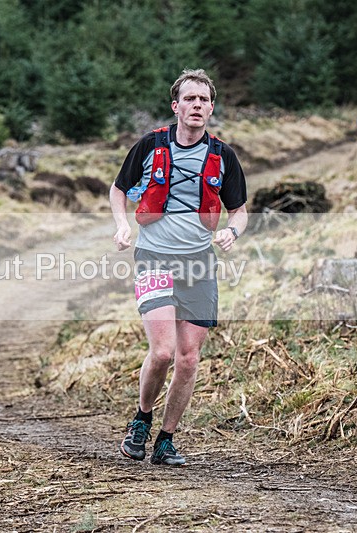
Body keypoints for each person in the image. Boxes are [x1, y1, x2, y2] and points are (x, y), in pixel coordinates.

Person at [109, 69, 247, 466]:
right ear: (176, 106)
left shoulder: (223, 156)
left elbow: (239, 211)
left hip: (200, 264)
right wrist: (122, 225)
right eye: (190, 99)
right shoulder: (151, 145)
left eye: (204, 100)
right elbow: (119, 190)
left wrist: (232, 234)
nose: (197, 106)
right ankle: (141, 420)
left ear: (211, 108)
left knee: (189, 358)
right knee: (164, 352)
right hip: (154, 257)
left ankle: (165, 440)